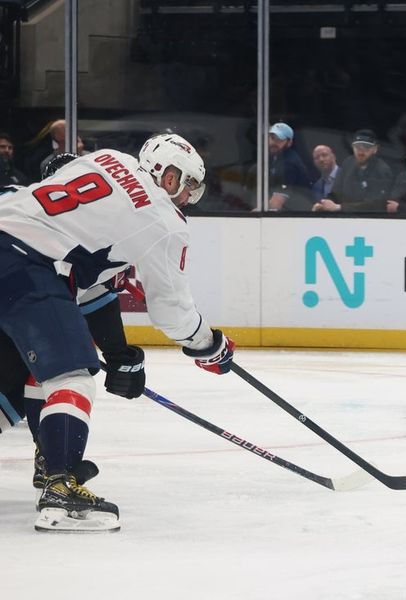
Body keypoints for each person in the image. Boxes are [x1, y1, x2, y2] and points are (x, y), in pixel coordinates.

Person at [0, 134, 236, 532]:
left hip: (16, 248)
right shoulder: (164, 221)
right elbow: (171, 312)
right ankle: (60, 486)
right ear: (169, 175)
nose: (187, 198)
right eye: (188, 186)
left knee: (14, 381)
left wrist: (116, 348)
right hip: (25, 264)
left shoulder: (108, 159)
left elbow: (85, 279)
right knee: (70, 377)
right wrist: (207, 345)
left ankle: (53, 458)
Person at [313, 129, 394, 213]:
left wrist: (339, 207)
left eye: (366, 146)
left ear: (375, 149)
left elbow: (375, 204)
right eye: (358, 146)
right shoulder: (348, 163)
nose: (361, 150)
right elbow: (335, 193)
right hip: (344, 219)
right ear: (353, 147)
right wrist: (323, 204)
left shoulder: (382, 170)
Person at [261, 122, 314, 211]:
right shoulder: (275, 159)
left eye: (279, 139)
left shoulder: (289, 164)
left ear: (289, 143)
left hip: (299, 217)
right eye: (272, 138)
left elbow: (276, 204)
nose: (274, 142)